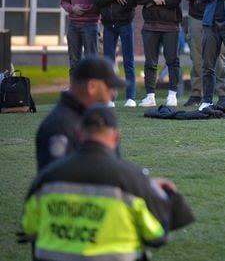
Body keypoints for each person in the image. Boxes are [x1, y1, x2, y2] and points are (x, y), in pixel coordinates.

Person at [23, 105, 194, 261]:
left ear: (80, 134)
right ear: (116, 136)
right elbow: (156, 236)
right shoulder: (131, 178)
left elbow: (29, 227)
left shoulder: (46, 177)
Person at [35, 56, 126, 172]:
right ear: (91, 87)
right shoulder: (59, 126)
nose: (113, 94)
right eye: (110, 87)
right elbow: (57, 180)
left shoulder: (94, 117)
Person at [136, 0, 184, 107]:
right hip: (150, 26)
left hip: (171, 26)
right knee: (150, 62)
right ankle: (150, 96)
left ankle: (172, 95)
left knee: (172, 60)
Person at [93, 0, 139, 107]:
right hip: (108, 25)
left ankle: (131, 98)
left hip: (125, 23)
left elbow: (134, 0)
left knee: (128, 61)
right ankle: (109, 98)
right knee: (108, 62)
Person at [60, 0, 100, 77]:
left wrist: (85, 9)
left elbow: (100, 2)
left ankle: (91, 92)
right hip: (73, 25)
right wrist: (72, 8)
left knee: (91, 61)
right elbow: (64, 1)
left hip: (91, 25)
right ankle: (75, 91)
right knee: (74, 61)